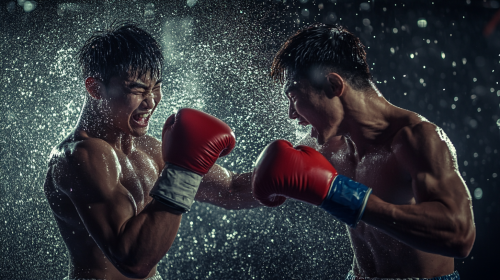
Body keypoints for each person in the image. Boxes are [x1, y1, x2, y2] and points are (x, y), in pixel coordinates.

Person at [252, 23, 476, 279]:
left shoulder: (417, 138)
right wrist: (195, 170)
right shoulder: (329, 147)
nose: (291, 115)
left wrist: (344, 197)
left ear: (334, 85)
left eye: (293, 97)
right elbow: (235, 189)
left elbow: (460, 235)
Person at [43, 22, 259, 280]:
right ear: (95, 88)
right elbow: (133, 261)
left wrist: (308, 171)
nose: (152, 100)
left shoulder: (151, 149)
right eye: (138, 89)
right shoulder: (80, 156)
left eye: (156, 86)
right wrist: (183, 171)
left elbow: (230, 190)